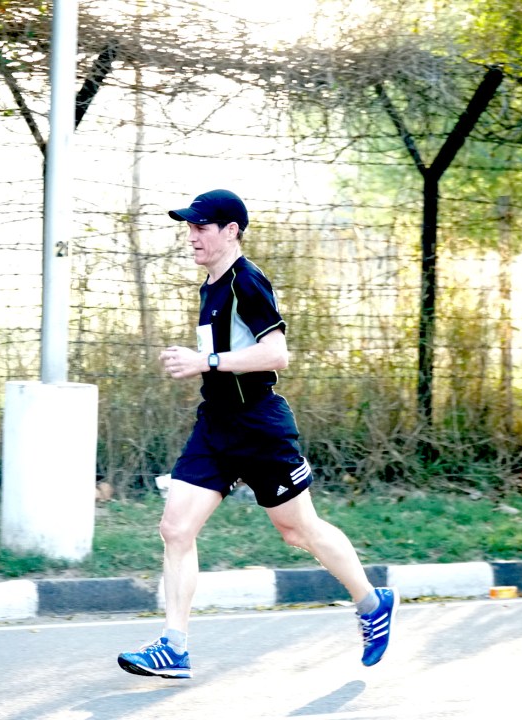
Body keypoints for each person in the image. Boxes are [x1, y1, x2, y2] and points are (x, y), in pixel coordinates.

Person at [117, 189, 399, 680]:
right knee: (175, 529)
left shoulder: (246, 281)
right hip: (216, 426)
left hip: (259, 426)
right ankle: (174, 647)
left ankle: (372, 603)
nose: (192, 236)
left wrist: (205, 361)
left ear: (231, 231)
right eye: (189, 228)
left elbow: (276, 354)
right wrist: (206, 366)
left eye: (201, 227)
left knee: (298, 531)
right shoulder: (210, 286)